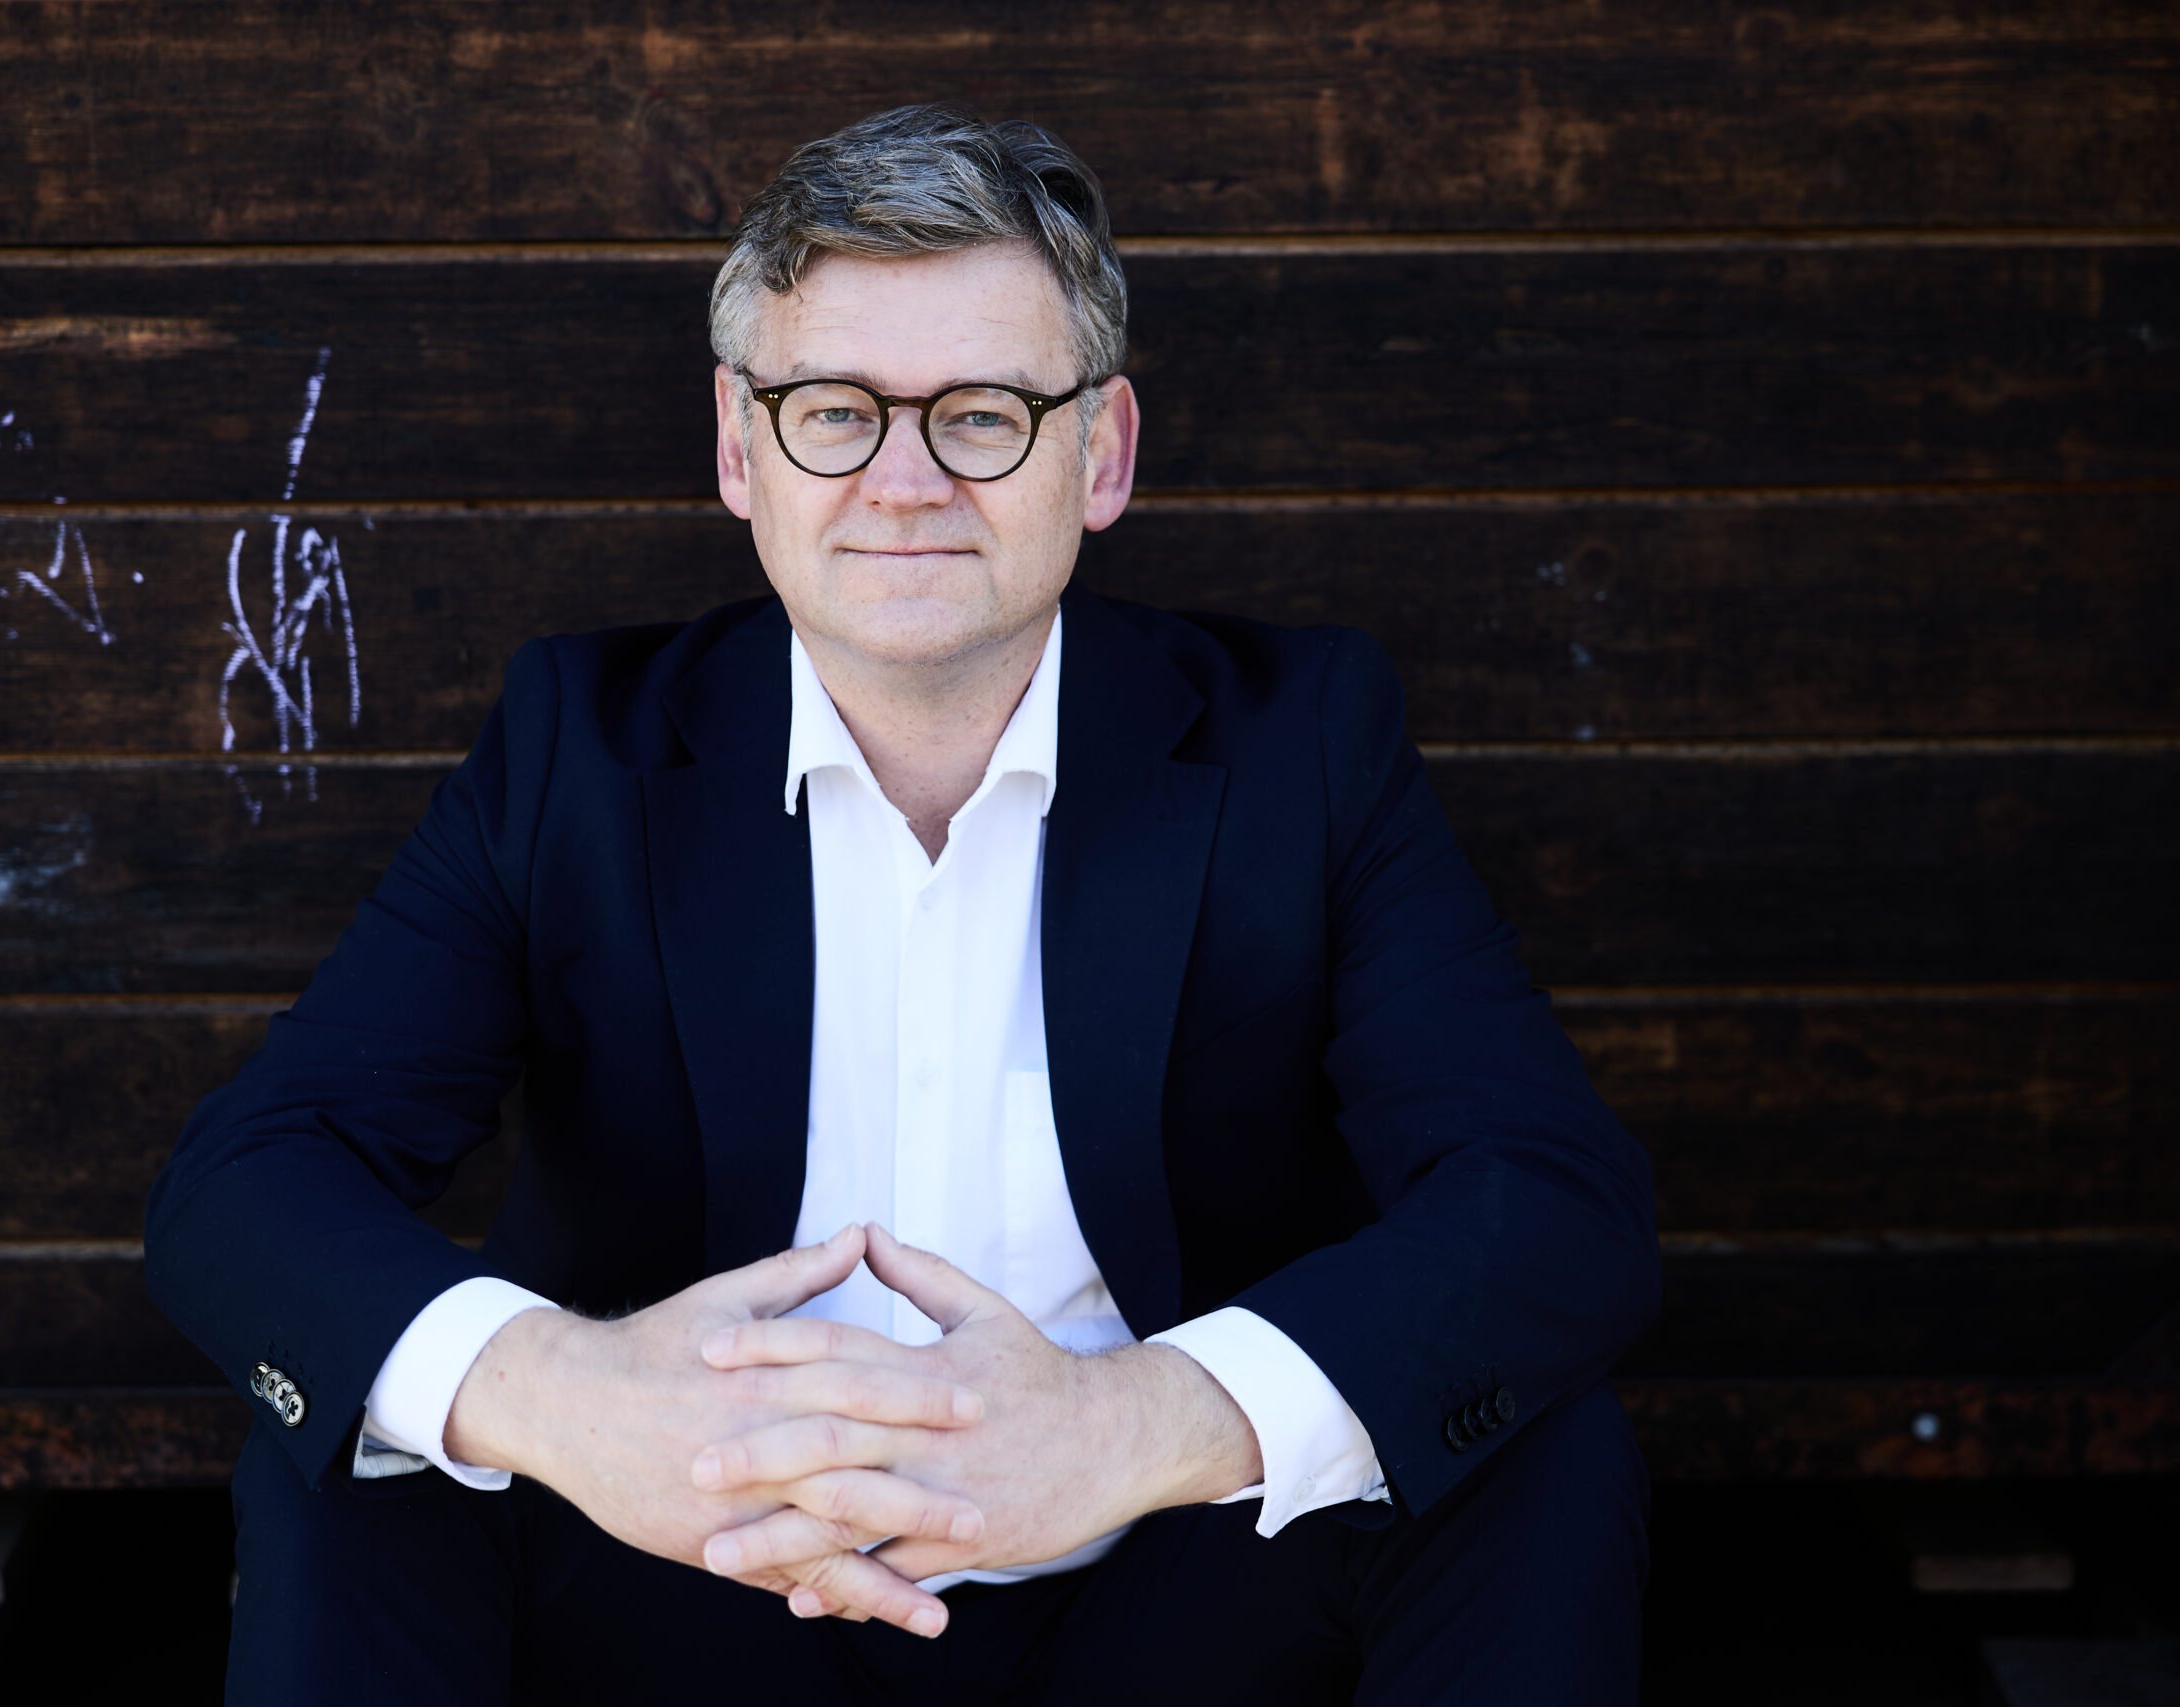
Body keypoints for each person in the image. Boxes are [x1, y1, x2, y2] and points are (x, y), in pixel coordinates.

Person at [147, 104, 1661, 1705]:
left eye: (985, 415)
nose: (906, 480)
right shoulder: (578, 752)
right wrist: (569, 1398)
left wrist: (1141, 1423)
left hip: (1154, 1590)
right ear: (741, 448)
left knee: (1531, 1451)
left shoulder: (1303, 747)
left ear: (1102, 454)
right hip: (688, 1577)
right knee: (357, 1452)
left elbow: (1552, 1200)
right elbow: (250, 1181)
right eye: (835, 413)